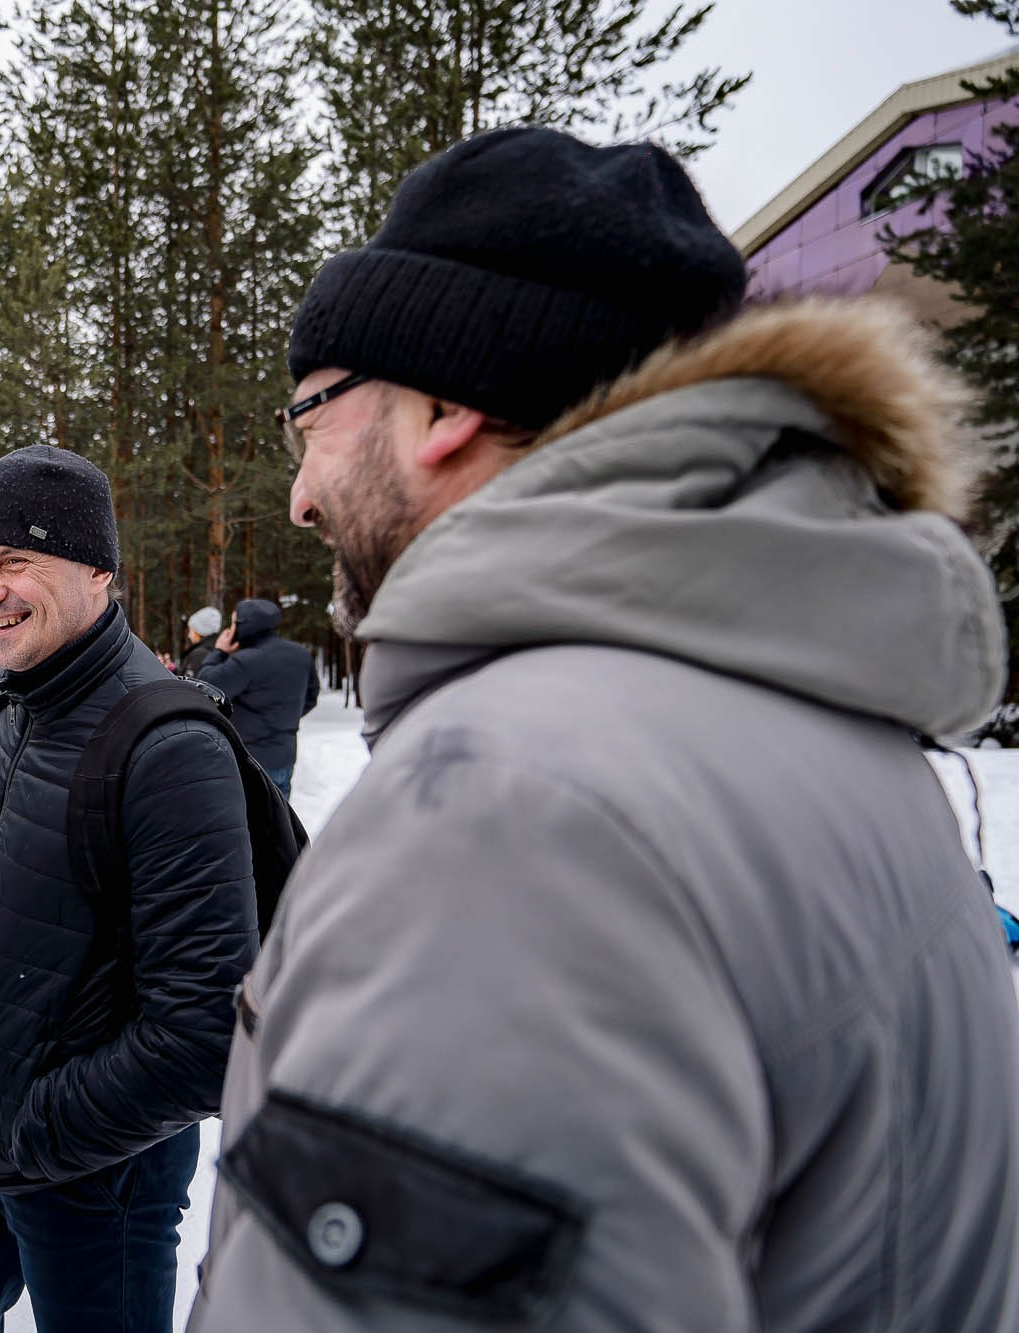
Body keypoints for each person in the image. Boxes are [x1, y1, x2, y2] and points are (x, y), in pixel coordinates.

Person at [191, 127, 1019, 1331]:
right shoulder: (833, 741)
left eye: (308, 418)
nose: (300, 493)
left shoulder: (515, 814)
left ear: (442, 402)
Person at [0, 445, 258, 1333]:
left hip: (93, 1176)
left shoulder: (169, 746)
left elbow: (202, 1037)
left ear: (97, 571)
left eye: (16, 561)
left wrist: (32, 1131)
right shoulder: (14, 695)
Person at [195, 597, 319, 798]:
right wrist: (282, 719)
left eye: (234, 623)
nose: (230, 628)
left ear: (245, 626)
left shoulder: (247, 660)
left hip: (251, 761)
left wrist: (218, 651)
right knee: (280, 824)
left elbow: (206, 686)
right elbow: (311, 697)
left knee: (252, 826)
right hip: (285, 756)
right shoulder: (301, 654)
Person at [178, 605, 222, 677]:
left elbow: (185, 685)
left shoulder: (199, 654)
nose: (189, 636)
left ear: (199, 631)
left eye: (191, 630)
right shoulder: (215, 651)